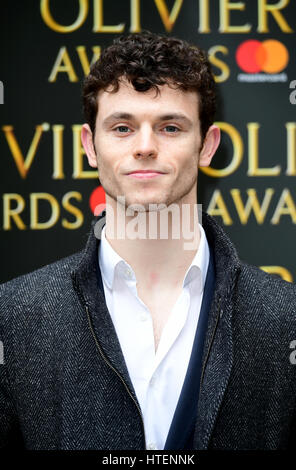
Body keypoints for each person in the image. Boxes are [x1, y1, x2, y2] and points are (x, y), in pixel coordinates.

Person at [0, 31, 296, 451]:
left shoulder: (285, 321)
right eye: (122, 127)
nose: (144, 147)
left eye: (170, 127)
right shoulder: (13, 319)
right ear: (90, 145)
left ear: (207, 146)